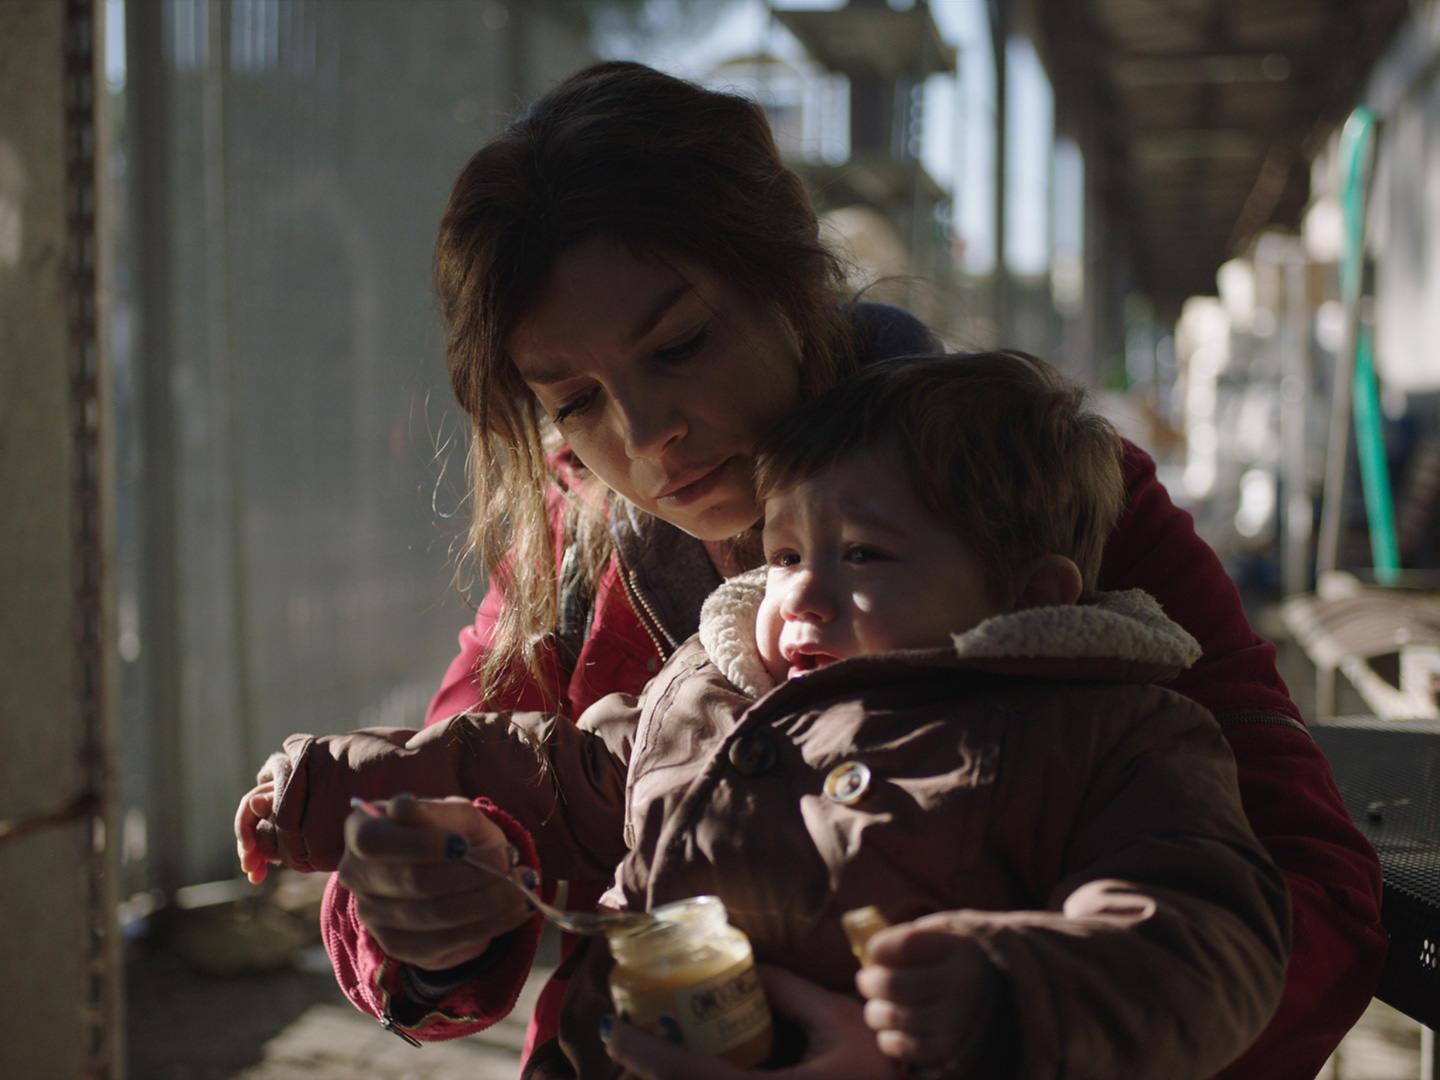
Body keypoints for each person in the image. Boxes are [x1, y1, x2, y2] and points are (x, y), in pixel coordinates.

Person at [236, 60, 1383, 1080]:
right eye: (574, 401)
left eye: (681, 345)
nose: (644, 437)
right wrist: (432, 912)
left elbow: (1314, 898)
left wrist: (961, 1040)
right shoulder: (574, 543)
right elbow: (470, 801)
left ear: (791, 283)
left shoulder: (1038, 492)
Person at [239, 354, 1292, 1080]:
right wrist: (338, 790)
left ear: (1030, 596)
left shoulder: (1099, 734)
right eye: (785, 555)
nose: (805, 595)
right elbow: (549, 775)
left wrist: (1004, 999)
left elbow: (1208, 937)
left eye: (866, 557)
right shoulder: (715, 695)